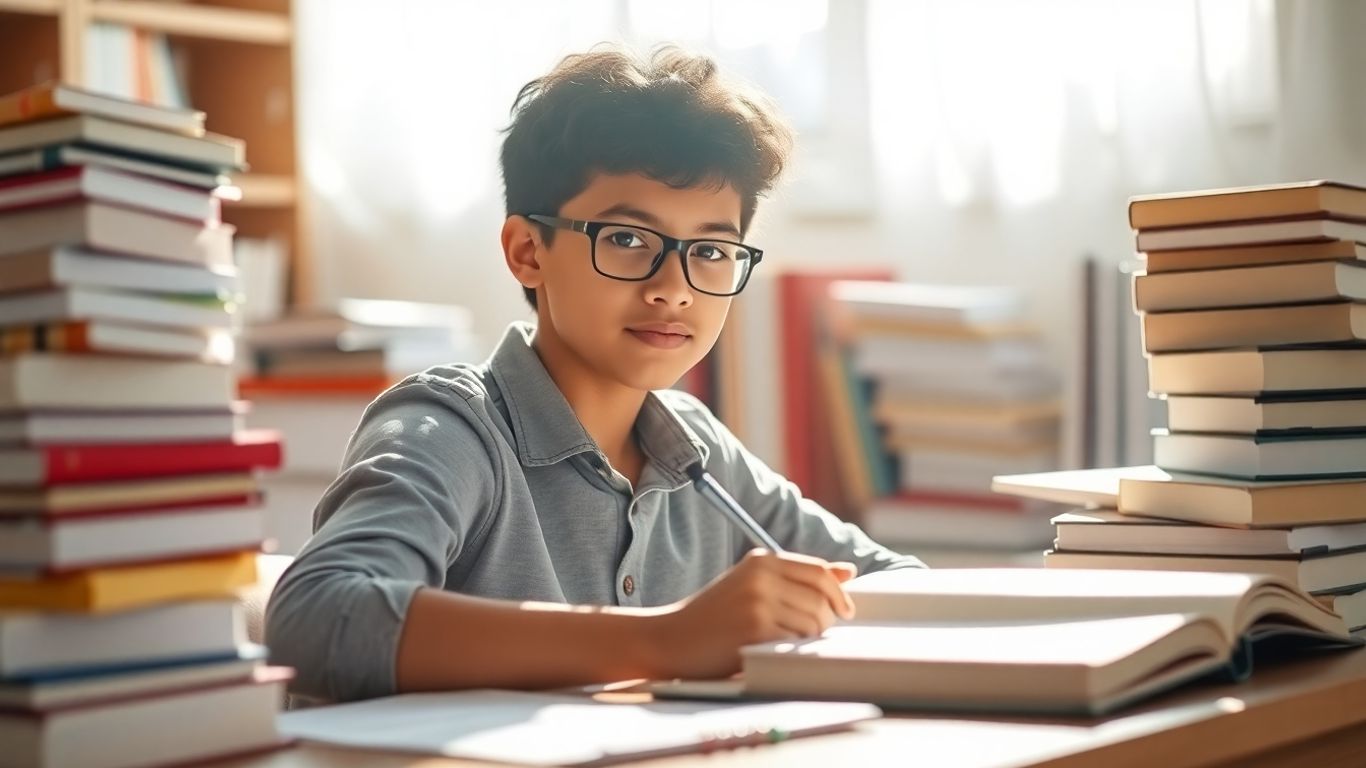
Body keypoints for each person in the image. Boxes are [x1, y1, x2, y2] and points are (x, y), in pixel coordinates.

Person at [265, 44, 924, 703]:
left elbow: (890, 584)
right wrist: (663, 641)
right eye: (628, 239)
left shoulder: (694, 449)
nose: (675, 289)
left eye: (712, 250)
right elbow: (317, 617)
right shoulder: (448, 428)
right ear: (528, 252)